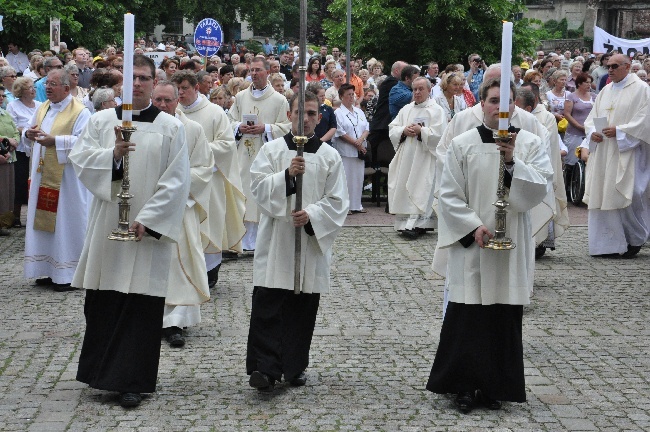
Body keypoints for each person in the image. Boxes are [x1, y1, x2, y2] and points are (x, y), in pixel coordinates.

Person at [69, 55, 190, 408]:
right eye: (131, 78)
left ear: (154, 84)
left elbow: (177, 180)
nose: (136, 84)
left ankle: (132, 381)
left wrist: (151, 219)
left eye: (143, 78)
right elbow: (81, 159)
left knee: (140, 307)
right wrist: (115, 157)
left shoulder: (171, 127)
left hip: (145, 234)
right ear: (121, 83)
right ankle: (101, 374)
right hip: (108, 224)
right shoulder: (103, 120)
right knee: (105, 302)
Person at [427, 78, 553, 413]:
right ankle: (464, 387)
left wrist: (513, 162)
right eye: (493, 100)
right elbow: (448, 192)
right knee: (468, 316)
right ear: (481, 103)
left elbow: (540, 189)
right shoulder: (463, 143)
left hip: (512, 244)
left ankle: (496, 385)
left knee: (502, 316)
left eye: (506, 101)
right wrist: (472, 227)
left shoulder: (528, 142)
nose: (499, 107)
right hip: (472, 245)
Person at [246, 91, 349, 392]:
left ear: (319, 118)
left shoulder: (330, 156)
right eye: (299, 112)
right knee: (268, 304)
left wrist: (313, 215)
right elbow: (258, 187)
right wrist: (287, 177)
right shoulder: (273, 150)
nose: (304, 119)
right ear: (289, 115)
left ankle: (293, 366)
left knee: (301, 309)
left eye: (312, 113)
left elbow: (338, 200)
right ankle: (265, 369)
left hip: (307, 241)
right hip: (277, 237)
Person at [152, 81, 215, 348]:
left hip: (181, 207)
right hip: (149, 209)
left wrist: (175, 188)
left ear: (178, 100)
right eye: (158, 101)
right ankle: (151, 317)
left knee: (181, 265)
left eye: (168, 100)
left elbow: (204, 168)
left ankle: (176, 321)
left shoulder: (193, 129)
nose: (163, 105)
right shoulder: (143, 128)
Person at [171, 70, 245, 287]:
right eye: (178, 89)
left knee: (209, 226)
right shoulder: (171, 113)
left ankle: (210, 272)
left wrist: (196, 152)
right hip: (180, 179)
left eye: (185, 88)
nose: (181, 93)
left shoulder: (214, 112)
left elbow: (226, 145)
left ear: (196, 88)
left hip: (209, 179)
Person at [23, 69, 91, 290]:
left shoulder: (80, 112)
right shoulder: (43, 107)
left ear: (65, 87)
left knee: (66, 223)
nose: (48, 88)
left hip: (68, 180)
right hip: (43, 174)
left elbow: (86, 143)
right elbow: (29, 129)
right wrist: (28, 134)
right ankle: (45, 269)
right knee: (42, 224)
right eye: (46, 84)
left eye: (53, 84)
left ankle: (68, 274)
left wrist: (56, 141)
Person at [582, 54, 650, 257]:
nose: (609, 69)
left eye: (614, 66)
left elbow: (645, 121)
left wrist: (620, 131)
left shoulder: (642, 90)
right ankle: (607, 245)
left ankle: (634, 239)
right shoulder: (606, 90)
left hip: (628, 152)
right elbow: (591, 118)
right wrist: (592, 131)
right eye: (608, 66)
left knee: (629, 194)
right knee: (603, 195)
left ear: (627, 67)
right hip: (603, 151)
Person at [228, 58, 291, 252]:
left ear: (267, 73)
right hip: (243, 156)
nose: (254, 74)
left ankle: (263, 240)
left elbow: (287, 127)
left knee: (263, 193)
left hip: (267, 155)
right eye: (252, 70)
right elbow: (229, 122)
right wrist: (239, 127)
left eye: (258, 70)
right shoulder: (240, 97)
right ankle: (243, 240)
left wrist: (266, 128)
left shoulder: (280, 100)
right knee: (244, 193)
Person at [387, 77, 446, 238]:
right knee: (406, 186)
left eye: (421, 89)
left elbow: (441, 135)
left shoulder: (436, 110)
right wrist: (403, 131)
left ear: (429, 90)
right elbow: (393, 128)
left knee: (422, 187)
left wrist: (422, 132)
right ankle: (405, 222)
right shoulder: (406, 109)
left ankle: (419, 224)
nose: (418, 92)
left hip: (425, 156)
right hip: (407, 155)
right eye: (415, 89)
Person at [517, 83, 570, 257]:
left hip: (539, 168)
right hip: (520, 168)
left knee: (541, 203)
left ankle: (540, 243)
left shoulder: (545, 117)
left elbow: (547, 147)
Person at [6, 78, 41, 228]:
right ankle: (16, 216)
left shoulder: (40, 105)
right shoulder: (13, 106)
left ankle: (38, 215)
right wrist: (26, 130)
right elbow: (12, 126)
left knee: (37, 180)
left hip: (38, 146)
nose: (33, 90)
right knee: (20, 182)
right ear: (21, 91)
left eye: (34, 87)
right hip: (20, 148)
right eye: (29, 88)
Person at [333, 83, 369, 214]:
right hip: (346, 151)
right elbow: (340, 132)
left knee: (358, 178)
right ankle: (345, 206)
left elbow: (366, 128)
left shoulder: (359, 111)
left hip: (360, 151)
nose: (351, 97)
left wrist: (361, 141)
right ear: (341, 96)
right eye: (348, 95)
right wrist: (356, 143)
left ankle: (356, 205)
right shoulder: (338, 113)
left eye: (352, 94)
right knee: (346, 178)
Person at [562, 72, 595, 188]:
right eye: (586, 82)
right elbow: (567, 114)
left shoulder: (594, 97)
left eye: (590, 82)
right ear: (579, 83)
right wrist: (579, 127)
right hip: (574, 133)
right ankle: (568, 188)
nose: (589, 85)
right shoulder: (571, 97)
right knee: (571, 160)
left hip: (590, 133)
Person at [0, 86, 20, 233]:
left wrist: (14, 141)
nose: (1, 98)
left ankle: (3, 222)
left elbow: (15, 130)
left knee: (7, 192)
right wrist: (7, 140)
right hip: (1, 155)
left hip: (9, 157)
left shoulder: (5, 114)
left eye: (2, 96)